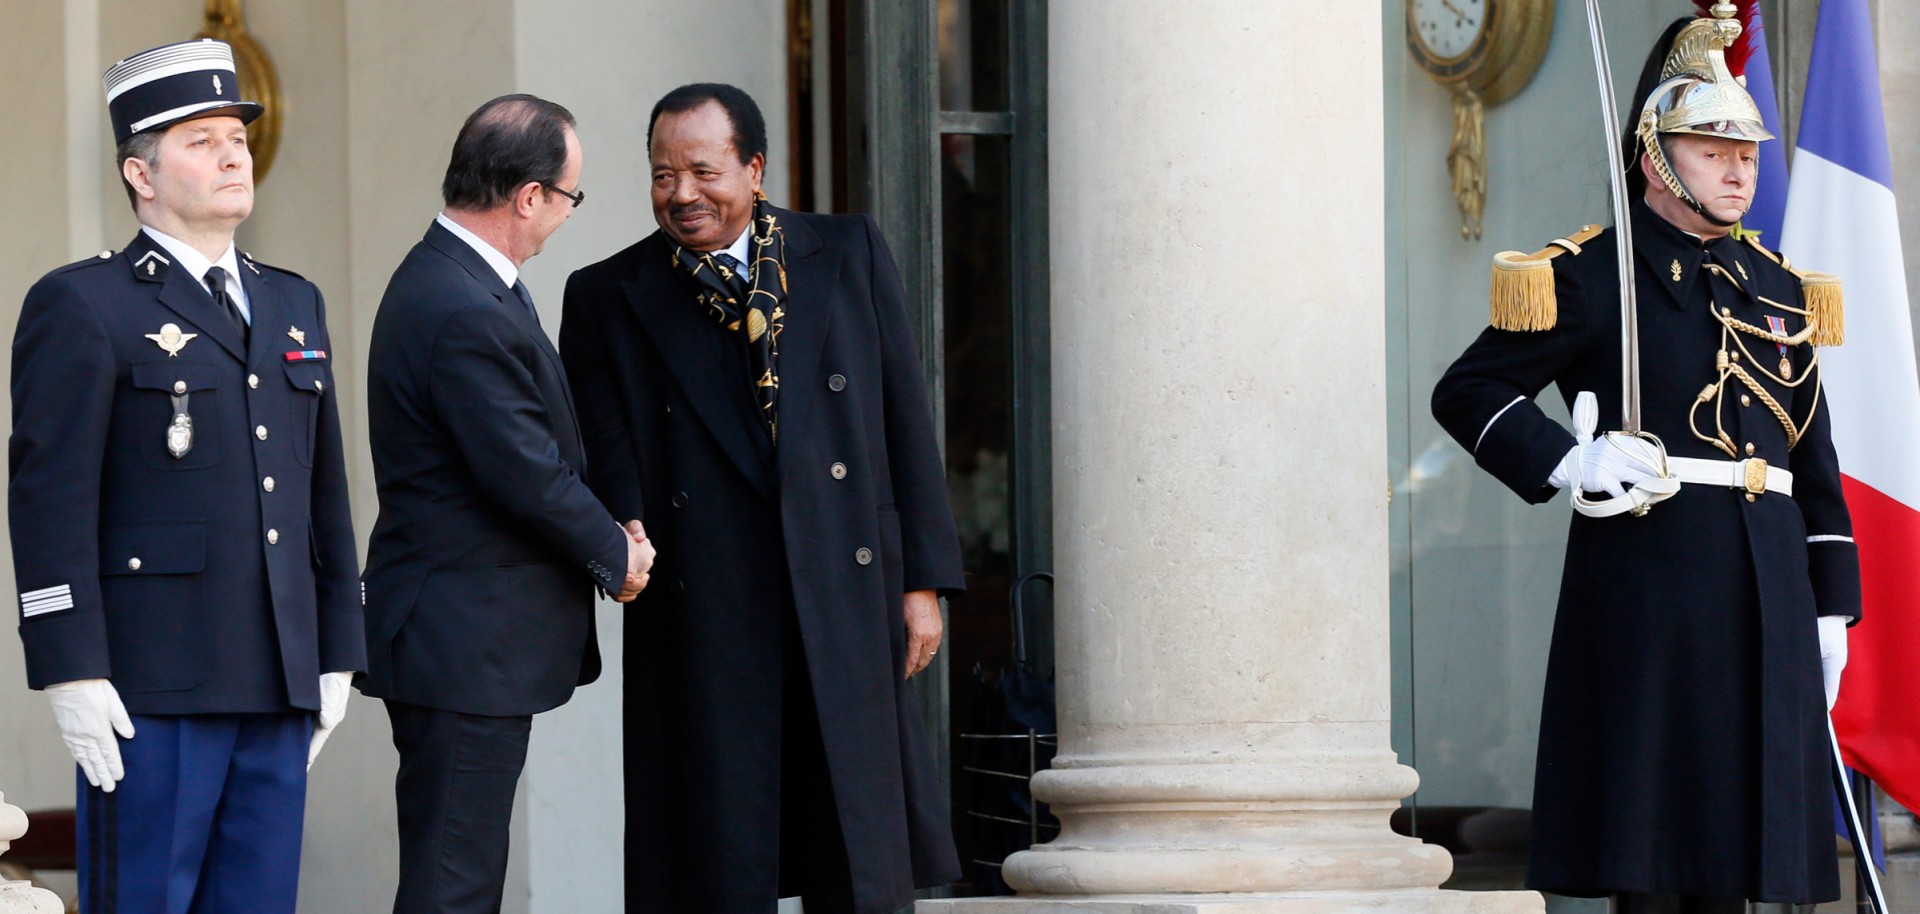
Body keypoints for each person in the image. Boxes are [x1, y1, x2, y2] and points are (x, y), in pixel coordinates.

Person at [1430, 8, 1857, 912]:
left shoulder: (1780, 287)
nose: (1740, 169)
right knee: (1659, 850)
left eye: (1746, 153)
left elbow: (1811, 461)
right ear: (1658, 157)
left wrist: (1832, 607)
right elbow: (1469, 392)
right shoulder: (1591, 272)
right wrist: (1568, 461)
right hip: (1657, 580)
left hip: (1771, 583)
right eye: (1712, 150)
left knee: (1752, 843)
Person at [559, 83, 964, 913]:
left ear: (754, 169)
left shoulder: (846, 253)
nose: (681, 194)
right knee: (716, 853)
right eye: (662, 174)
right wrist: (624, 535)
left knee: (851, 847)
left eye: (703, 171)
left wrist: (921, 582)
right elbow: (608, 451)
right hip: (704, 601)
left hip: (842, 590)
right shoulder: (610, 294)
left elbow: (902, 422)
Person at [7, 38, 363, 913]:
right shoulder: (85, 303)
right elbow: (48, 500)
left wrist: (337, 650)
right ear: (141, 172)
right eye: (201, 140)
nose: (233, 152)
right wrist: (70, 670)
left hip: (277, 678)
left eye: (236, 136)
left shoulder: (292, 300)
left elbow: (323, 487)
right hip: (150, 689)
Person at [359, 94, 654, 914]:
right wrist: (616, 554)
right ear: (530, 196)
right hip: (461, 644)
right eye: (570, 197)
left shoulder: (466, 283)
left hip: (467, 641)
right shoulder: (459, 304)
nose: (566, 214)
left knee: (461, 877)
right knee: (453, 884)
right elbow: (524, 470)